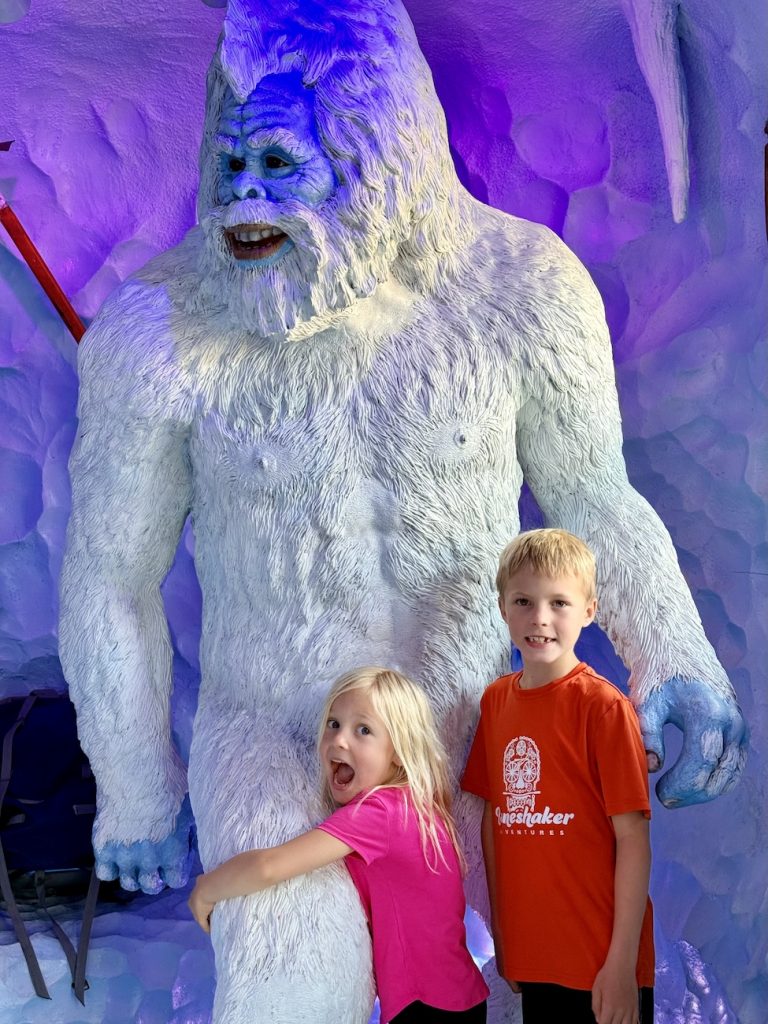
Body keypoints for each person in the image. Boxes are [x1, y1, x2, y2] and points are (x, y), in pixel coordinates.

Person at [189, 667, 489, 1024]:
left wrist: (206, 890)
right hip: (459, 997)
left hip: (427, 1007)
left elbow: (270, 867)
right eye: (333, 723)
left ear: (398, 751)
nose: (340, 740)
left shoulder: (380, 813)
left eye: (363, 730)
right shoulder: (417, 805)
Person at [462, 529, 654, 1024]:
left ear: (589, 611)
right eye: (523, 600)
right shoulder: (496, 702)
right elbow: (494, 821)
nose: (540, 618)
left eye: (558, 603)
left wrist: (621, 965)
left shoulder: (603, 707)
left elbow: (632, 838)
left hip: (602, 966)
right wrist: (504, 939)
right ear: (503, 607)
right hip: (534, 960)